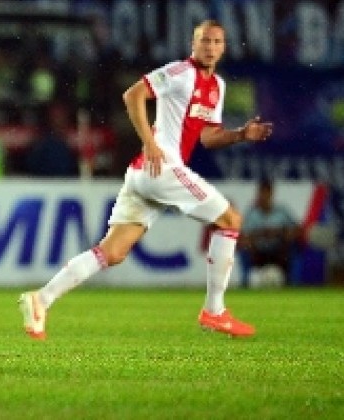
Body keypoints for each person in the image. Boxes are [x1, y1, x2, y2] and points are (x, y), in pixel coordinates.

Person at [19, 20, 273, 339]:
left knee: (112, 252)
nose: (210, 47)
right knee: (230, 219)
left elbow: (207, 136)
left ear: (224, 47)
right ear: (193, 44)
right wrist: (150, 142)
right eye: (204, 41)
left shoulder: (217, 87)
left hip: (146, 174)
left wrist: (240, 135)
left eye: (217, 42)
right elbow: (133, 95)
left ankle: (41, 299)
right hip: (161, 166)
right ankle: (214, 311)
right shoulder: (180, 72)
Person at [238, 177, 302, 287]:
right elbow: (242, 236)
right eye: (261, 193)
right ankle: (246, 283)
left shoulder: (282, 211)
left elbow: (297, 230)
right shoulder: (252, 213)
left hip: (279, 251)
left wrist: (281, 233)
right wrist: (257, 237)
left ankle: (293, 285)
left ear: (271, 194)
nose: (263, 196)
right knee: (243, 250)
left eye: (266, 193)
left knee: (295, 250)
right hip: (258, 252)